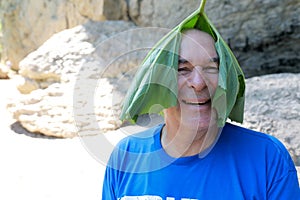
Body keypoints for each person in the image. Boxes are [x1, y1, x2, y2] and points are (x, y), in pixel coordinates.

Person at [101, 28, 300, 199]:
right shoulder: (126, 157)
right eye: (183, 69)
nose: (199, 82)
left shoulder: (267, 158)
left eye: (211, 68)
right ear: (157, 82)